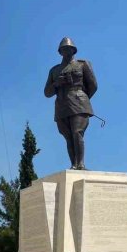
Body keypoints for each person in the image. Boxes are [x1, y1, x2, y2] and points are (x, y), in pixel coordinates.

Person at [44, 37, 98, 170]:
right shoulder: (54, 70)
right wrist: (57, 83)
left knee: (77, 132)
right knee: (68, 136)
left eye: (68, 48)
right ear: (60, 52)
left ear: (74, 50)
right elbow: (47, 92)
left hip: (79, 102)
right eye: (63, 49)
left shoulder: (82, 64)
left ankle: (81, 164)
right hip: (62, 105)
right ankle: (74, 164)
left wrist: (83, 97)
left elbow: (93, 85)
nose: (66, 50)